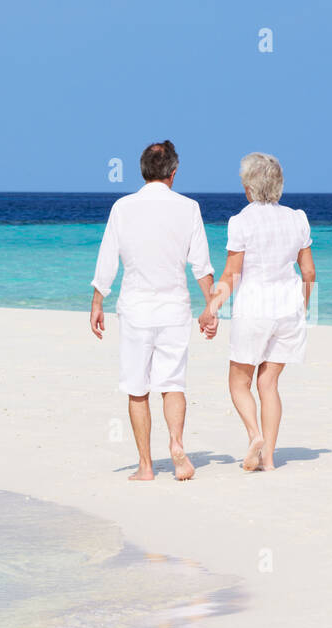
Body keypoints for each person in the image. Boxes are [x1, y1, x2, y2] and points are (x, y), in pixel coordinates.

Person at [90, 140, 215, 481]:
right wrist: (211, 306)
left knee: (137, 388)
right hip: (175, 309)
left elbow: (107, 257)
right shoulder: (189, 208)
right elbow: (201, 265)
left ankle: (145, 466)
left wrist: (98, 300)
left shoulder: (123, 207)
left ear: (143, 171)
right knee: (173, 384)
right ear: (173, 173)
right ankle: (176, 444)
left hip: (136, 310)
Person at [199, 152, 316, 471]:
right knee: (269, 384)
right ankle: (269, 460)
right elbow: (308, 273)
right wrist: (303, 307)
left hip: (254, 310)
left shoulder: (241, 222)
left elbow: (230, 275)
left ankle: (254, 435)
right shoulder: (297, 218)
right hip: (288, 310)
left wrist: (211, 308)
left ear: (249, 186)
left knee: (239, 383)